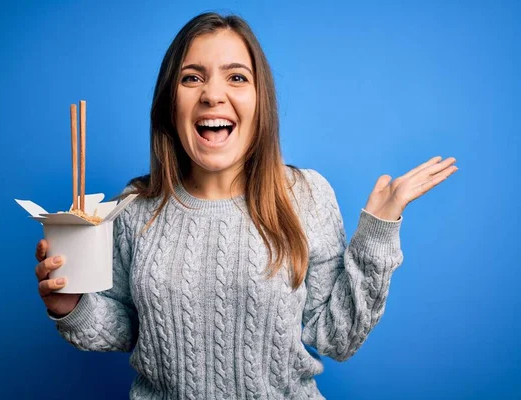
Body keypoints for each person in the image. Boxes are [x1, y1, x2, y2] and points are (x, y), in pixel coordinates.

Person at [34, 12, 458, 400]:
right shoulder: (134, 208)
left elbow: (337, 337)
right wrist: (69, 306)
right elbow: (127, 328)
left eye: (236, 77)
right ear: (169, 103)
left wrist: (377, 232)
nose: (212, 94)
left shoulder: (306, 196)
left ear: (260, 101)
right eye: (191, 78)